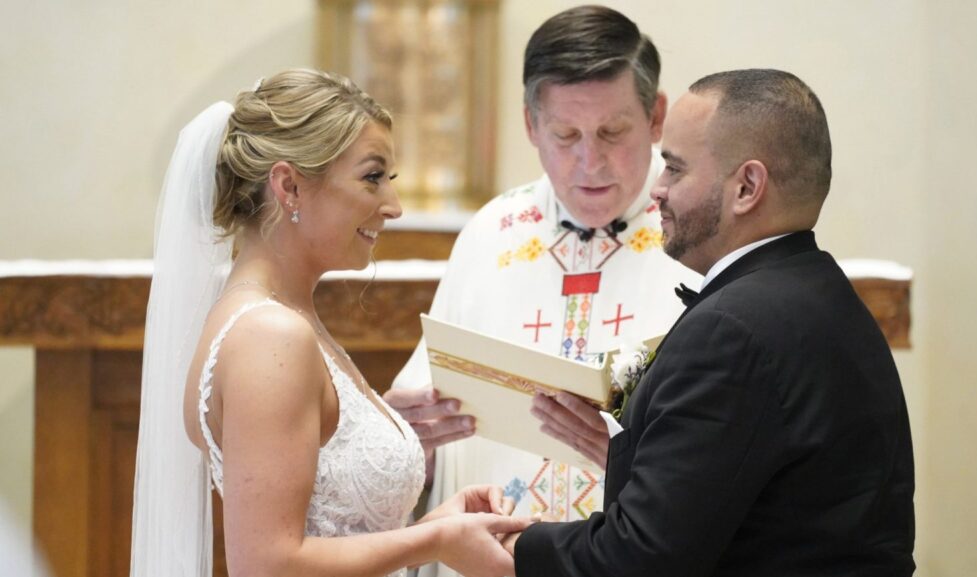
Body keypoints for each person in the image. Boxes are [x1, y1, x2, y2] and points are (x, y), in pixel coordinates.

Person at [506, 69, 917, 576]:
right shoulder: (820, 291)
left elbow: (640, 560)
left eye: (675, 170)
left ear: (747, 187)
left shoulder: (733, 330)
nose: (657, 190)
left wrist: (510, 548)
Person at [130, 69, 530, 577]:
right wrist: (438, 539)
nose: (394, 206)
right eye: (371, 177)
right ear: (289, 185)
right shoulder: (269, 336)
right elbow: (268, 563)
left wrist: (440, 525)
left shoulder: (287, 317)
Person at [384, 3, 702, 550]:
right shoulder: (491, 234)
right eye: (565, 134)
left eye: (612, 131)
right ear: (531, 124)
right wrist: (409, 436)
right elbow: (424, 415)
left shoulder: (698, 235)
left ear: (655, 117)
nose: (590, 162)